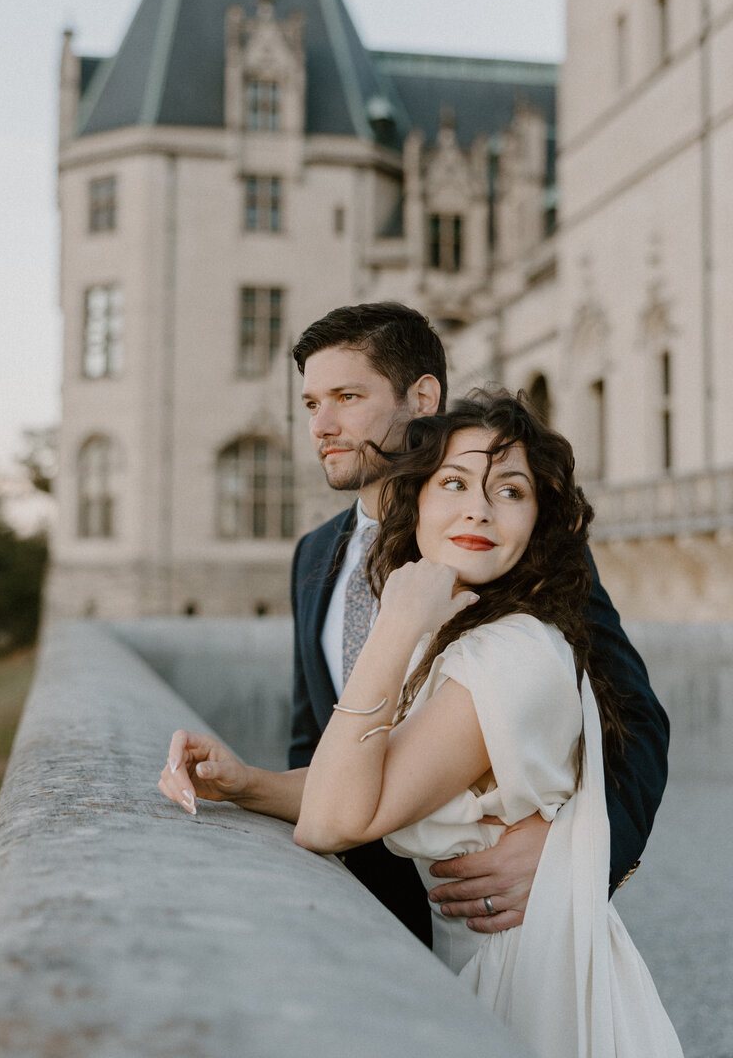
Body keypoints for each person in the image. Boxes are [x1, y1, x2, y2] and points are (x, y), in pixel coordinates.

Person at [159, 303, 669, 948]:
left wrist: (582, 848)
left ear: (422, 397)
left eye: (347, 396)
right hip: (354, 914)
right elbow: (314, 742)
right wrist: (246, 786)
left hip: (487, 918)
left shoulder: (509, 547)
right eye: (312, 402)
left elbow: (635, 716)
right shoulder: (315, 555)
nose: (323, 424)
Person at [293, 392, 683, 1055]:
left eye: (510, 490)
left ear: (537, 522)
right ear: (413, 499)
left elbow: (330, 819)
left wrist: (393, 626)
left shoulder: (507, 656)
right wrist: (243, 783)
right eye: (453, 484)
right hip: (486, 965)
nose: (478, 507)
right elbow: (377, 772)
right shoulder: (468, 636)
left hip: (528, 983)